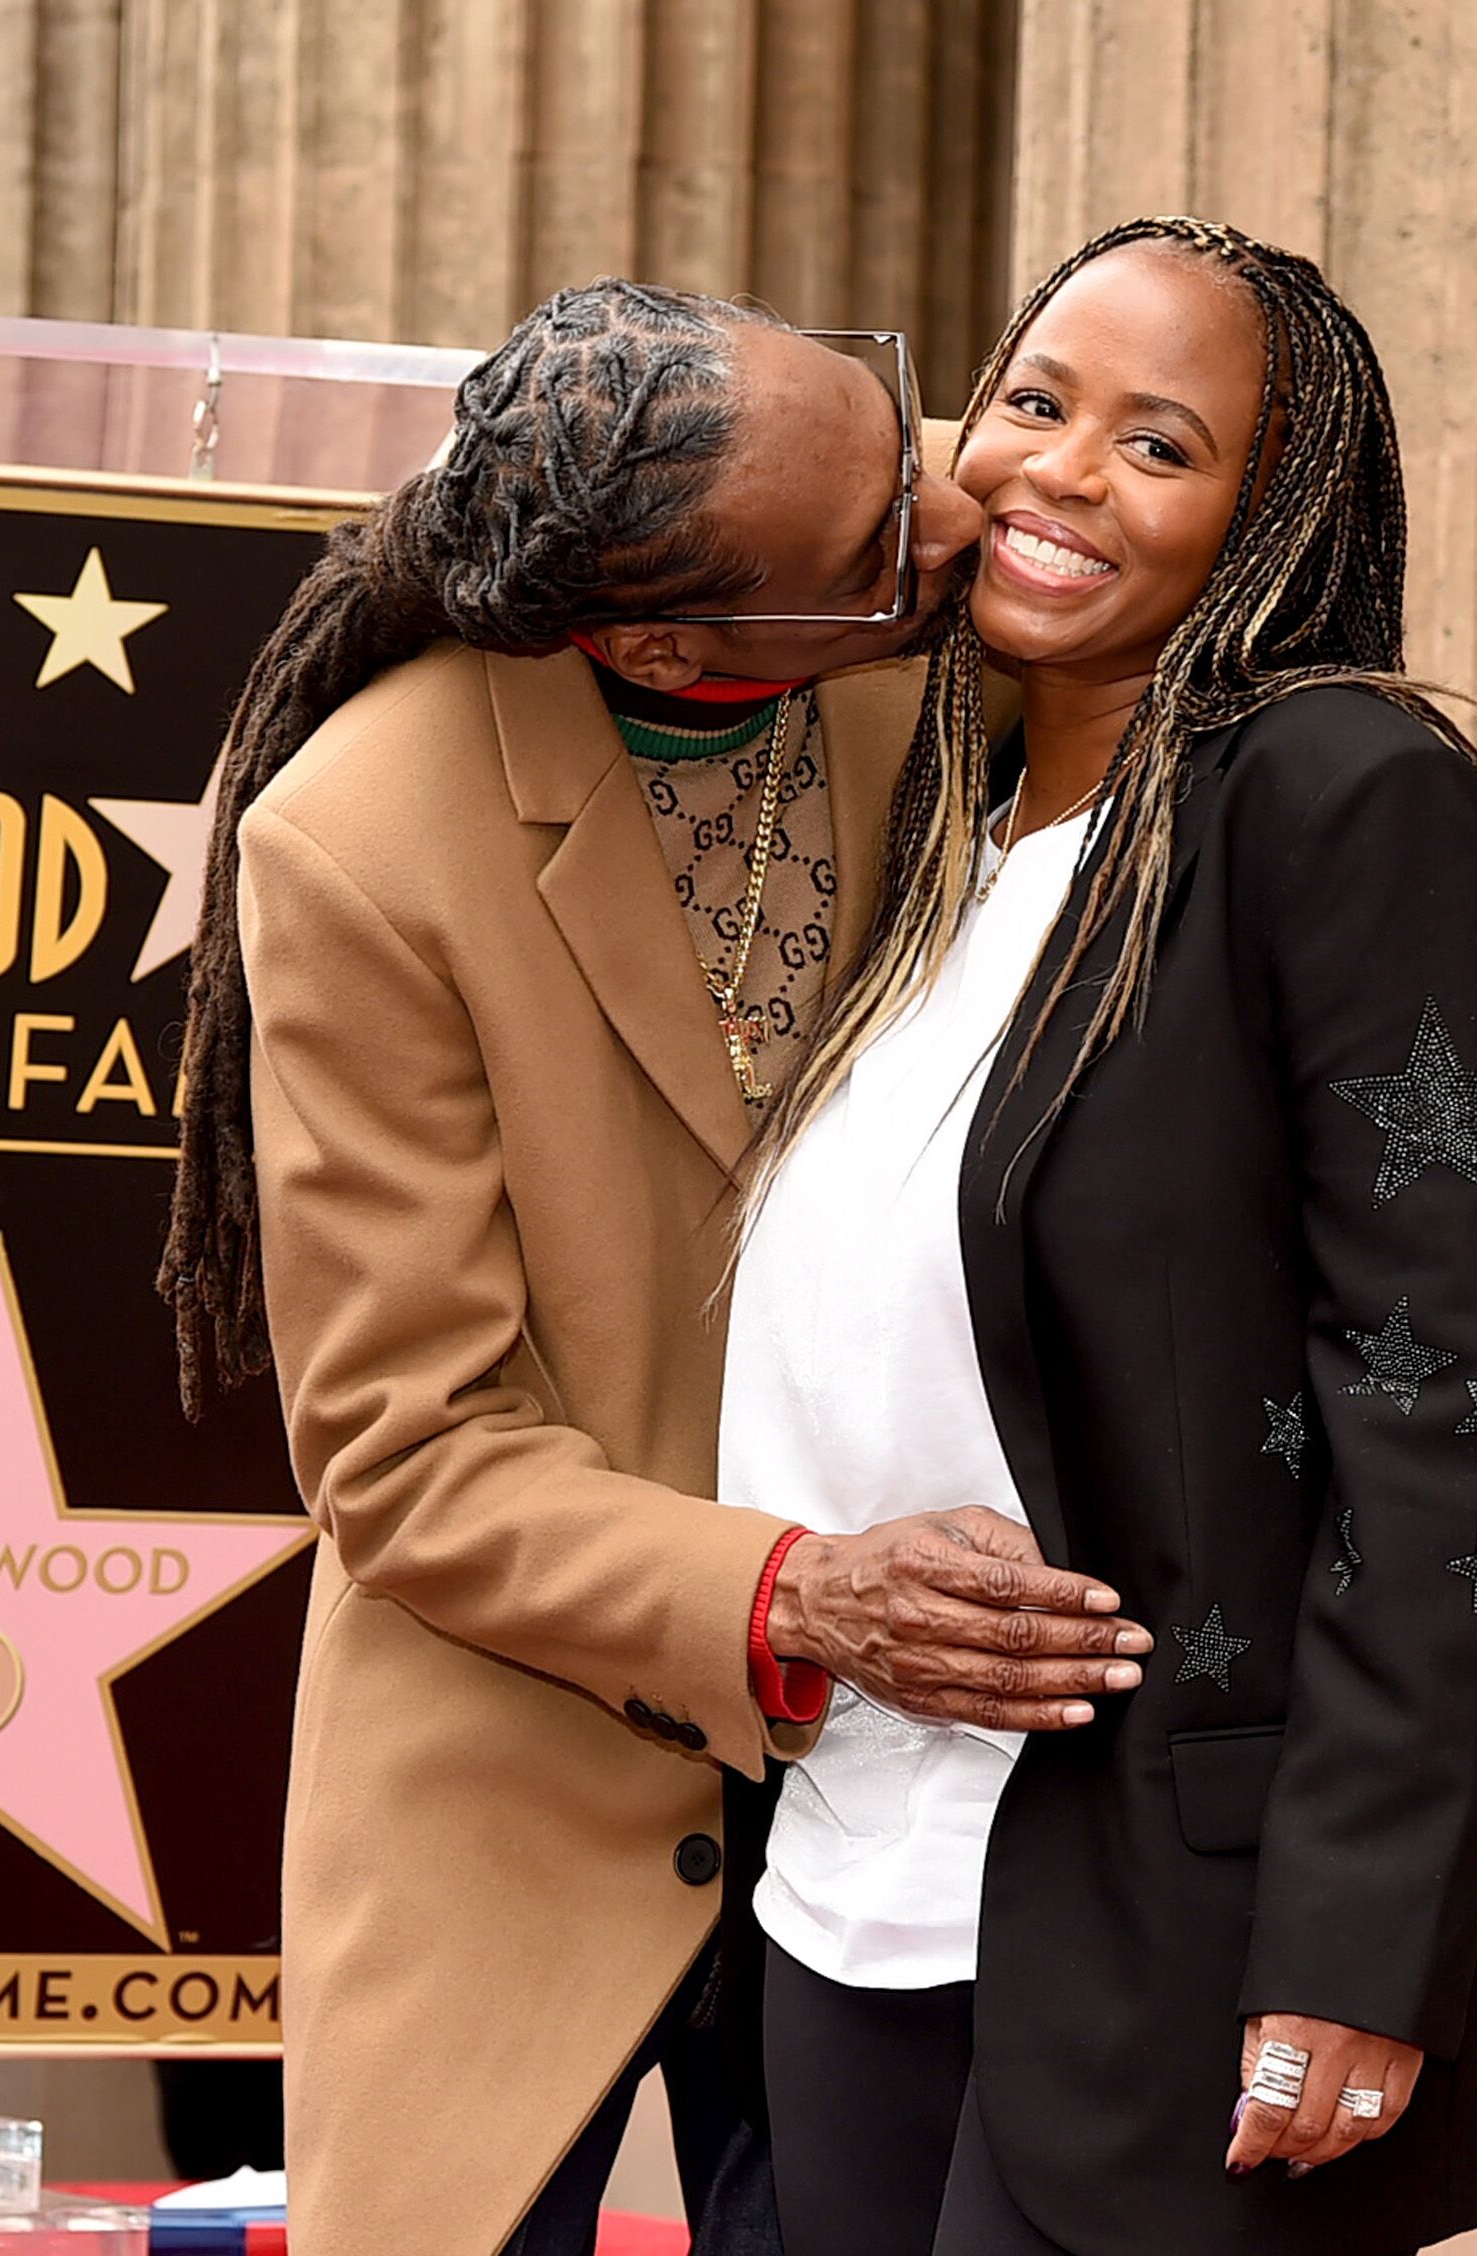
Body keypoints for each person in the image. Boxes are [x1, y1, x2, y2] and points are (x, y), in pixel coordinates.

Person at [160, 280, 1158, 2256]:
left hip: (917, 1798)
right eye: (891, 529)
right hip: (521, 1790)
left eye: (907, 419)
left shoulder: (932, 592)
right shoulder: (357, 842)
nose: (961, 503)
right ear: (672, 639)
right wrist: (802, 1598)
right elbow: (407, 1457)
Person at [725, 217, 1477, 2256]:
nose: (1063, 470)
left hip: (1176, 1890)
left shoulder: (1337, 795)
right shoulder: (928, 829)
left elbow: (1443, 1406)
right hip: (853, 1873)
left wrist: (1358, 1934)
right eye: (1040, 402)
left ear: (1272, 517)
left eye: (1162, 446)